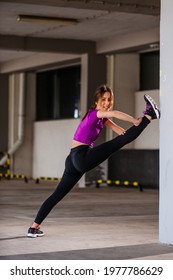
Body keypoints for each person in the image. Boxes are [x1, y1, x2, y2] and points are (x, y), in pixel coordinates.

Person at [27, 84, 160, 238]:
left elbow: (120, 132)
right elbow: (115, 113)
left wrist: (132, 129)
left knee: (56, 195)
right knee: (117, 143)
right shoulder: (94, 114)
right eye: (103, 99)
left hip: (72, 160)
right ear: (96, 100)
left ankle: (33, 228)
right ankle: (149, 115)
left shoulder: (102, 118)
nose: (107, 102)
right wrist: (136, 121)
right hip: (80, 157)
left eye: (109, 100)